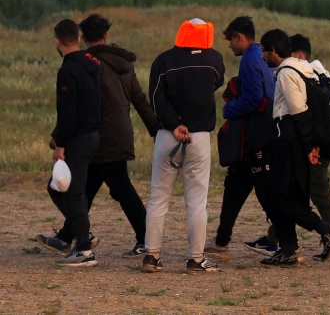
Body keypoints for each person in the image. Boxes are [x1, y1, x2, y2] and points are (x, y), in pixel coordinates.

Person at [38, 14, 158, 259]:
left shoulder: (90, 64)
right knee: (89, 187)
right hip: (119, 132)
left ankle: (146, 239)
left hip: (98, 135)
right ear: (106, 36)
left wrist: (64, 137)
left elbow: (84, 104)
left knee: (106, 188)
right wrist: (156, 129)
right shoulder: (123, 63)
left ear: (82, 38)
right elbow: (139, 99)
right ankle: (68, 237)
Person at [246, 33, 330, 261]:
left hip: (289, 142)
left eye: (264, 50)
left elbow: (298, 110)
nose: (262, 56)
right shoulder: (308, 71)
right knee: (290, 196)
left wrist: (309, 147)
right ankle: (289, 250)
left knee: (278, 198)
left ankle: (329, 230)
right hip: (297, 141)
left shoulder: (287, 72)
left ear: (274, 50)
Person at [143, 18, 225, 274]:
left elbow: (155, 98)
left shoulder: (163, 61)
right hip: (199, 137)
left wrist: (175, 123)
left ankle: (151, 256)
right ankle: (196, 259)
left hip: (168, 135)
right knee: (197, 201)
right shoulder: (215, 60)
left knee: (159, 197)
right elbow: (216, 83)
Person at [203, 16, 274, 263]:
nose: (230, 46)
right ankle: (221, 242)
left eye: (231, 40)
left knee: (266, 194)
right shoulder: (259, 58)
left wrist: (229, 108)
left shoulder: (250, 61)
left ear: (239, 37)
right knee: (235, 188)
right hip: (254, 140)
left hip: (253, 140)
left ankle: (293, 242)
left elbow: (254, 98)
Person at [41, 19, 102, 267]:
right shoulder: (93, 64)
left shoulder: (68, 70)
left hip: (77, 139)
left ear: (57, 42)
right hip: (92, 134)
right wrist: (60, 136)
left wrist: (60, 145)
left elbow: (68, 112)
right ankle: (81, 232)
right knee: (58, 188)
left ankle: (84, 249)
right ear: (78, 38)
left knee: (72, 193)